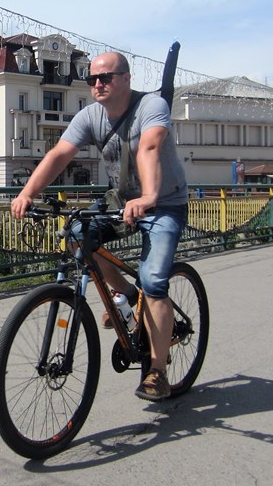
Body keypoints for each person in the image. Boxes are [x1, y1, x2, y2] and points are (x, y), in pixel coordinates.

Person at [11, 51, 188, 402]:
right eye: (92, 79)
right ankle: (127, 295)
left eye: (105, 77)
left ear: (126, 78)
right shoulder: (91, 116)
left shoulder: (151, 107)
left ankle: (157, 371)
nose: (97, 84)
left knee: (154, 281)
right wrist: (28, 192)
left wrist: (149, 195)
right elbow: (60, 153)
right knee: (77, 235)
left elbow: (150, 147)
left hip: (164, 202)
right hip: (120, 200)